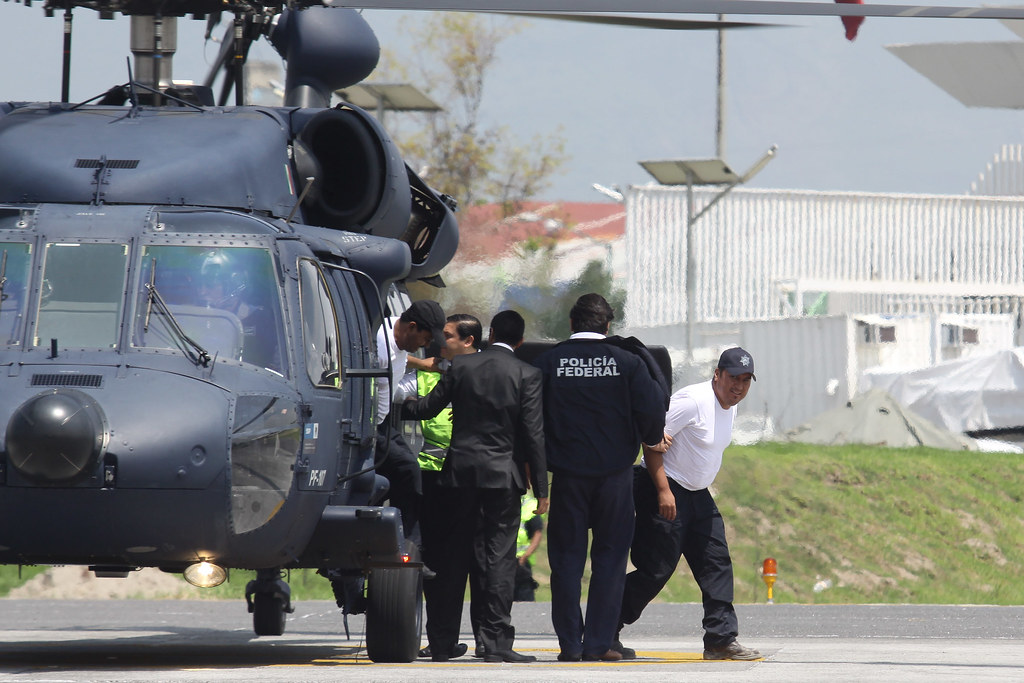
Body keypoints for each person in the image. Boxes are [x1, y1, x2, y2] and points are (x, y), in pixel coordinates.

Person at [402, 310, 547, 664]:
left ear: (489, 333)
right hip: (503, 479)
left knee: (449, 559)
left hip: (458, 476)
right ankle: (493, 643)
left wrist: (392, 402)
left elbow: (424, 409)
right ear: (521, 341)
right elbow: (533, 435)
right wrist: (542, 490)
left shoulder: (461, 368)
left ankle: (441, 643)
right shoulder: (527, 374)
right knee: (497, 560)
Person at [532, 293, 668, 662]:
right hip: (615, 479)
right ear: (608, 326)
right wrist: (652, 436)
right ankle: (597, 644)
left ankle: (569, 645)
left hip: (568, 479)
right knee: (609, 562)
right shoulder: (628, 362)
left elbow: (530, 422)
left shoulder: (548, 363)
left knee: (566, 562)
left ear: (572, 325)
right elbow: (653, 408)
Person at [617, 347, 762, 661]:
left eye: (746, 380)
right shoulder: (692, 401)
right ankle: (605, 625)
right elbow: (652, 440)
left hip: (698, 495)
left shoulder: (730, 406)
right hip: (665, 489)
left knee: (716, 562)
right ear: (717, 374)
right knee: (656, 570)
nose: (739, 386)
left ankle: (721, 639)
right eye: (733, 378)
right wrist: (663, 491)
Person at [400, 313, 484, 660]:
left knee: (463, 562)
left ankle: (457, 640)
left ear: (468, 340)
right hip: (432, 476)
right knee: (442, 562)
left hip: (459, 475)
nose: (439, 343)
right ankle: (448, 640)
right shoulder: (425, 373)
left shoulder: (468, 372)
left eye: (448, 337)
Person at [374, 299, 447, 543]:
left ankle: (404, 543)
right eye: (425, 340)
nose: (425, 346)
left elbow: (401, 357)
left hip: (383, 423)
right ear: (412, 326)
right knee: (407, 470)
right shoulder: (379, 345)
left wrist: (423, 364)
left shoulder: (398, 337)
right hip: (370, 428)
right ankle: (404, 545)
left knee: (406, 471)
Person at [514, 490, 544, 602]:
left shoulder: (530, 505)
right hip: (503, 561)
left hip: (521, 562)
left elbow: (537, 532)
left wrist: (525, 555)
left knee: (525, 600)